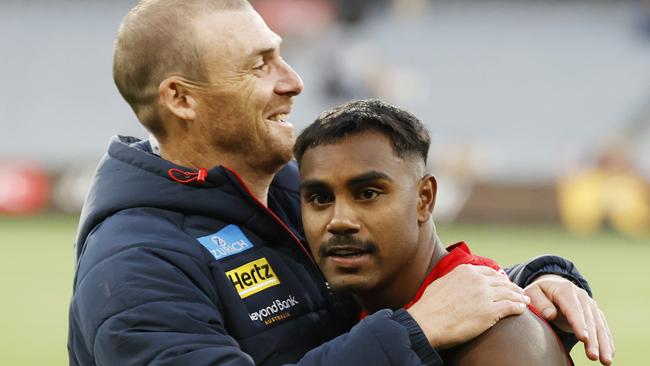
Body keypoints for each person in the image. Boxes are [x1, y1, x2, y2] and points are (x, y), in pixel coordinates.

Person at [68, 1, 613, 365]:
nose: (295, 81)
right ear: (181, 99)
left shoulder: (290, 188)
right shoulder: (133, 263)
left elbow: (403, 276)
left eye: (281, 55)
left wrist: (529, 283)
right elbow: (409, 320)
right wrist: (414, 331)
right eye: (260, 66)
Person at [294, 99, 577, 365]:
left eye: (368, 193)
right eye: (320, 199)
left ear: (424, 199)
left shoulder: (501, 337)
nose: (339, 221)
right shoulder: (359, 316)